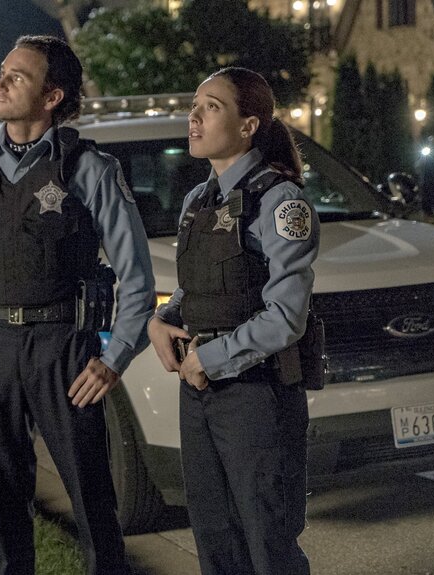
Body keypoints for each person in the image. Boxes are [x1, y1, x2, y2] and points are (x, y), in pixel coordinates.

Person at [0, 34, 155, 575]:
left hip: (63, 352)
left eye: (16, 77)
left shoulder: (88, 169)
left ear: (52, 96)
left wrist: (114, 357)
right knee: (3, 505)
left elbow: (137, 279)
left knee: (94, 503)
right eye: (2, 72)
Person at [148, 67, 320, 575]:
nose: (194, 117)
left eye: (212, 107)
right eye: (194, 106)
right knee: (215, 538)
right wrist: (162, 321)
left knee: (268, 543)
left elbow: (287, 317)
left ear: (248, 125)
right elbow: (196, 286)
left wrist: (210, 358)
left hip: (257, 394)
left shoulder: (280, 201)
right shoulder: (199, 200)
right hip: (200, 389)